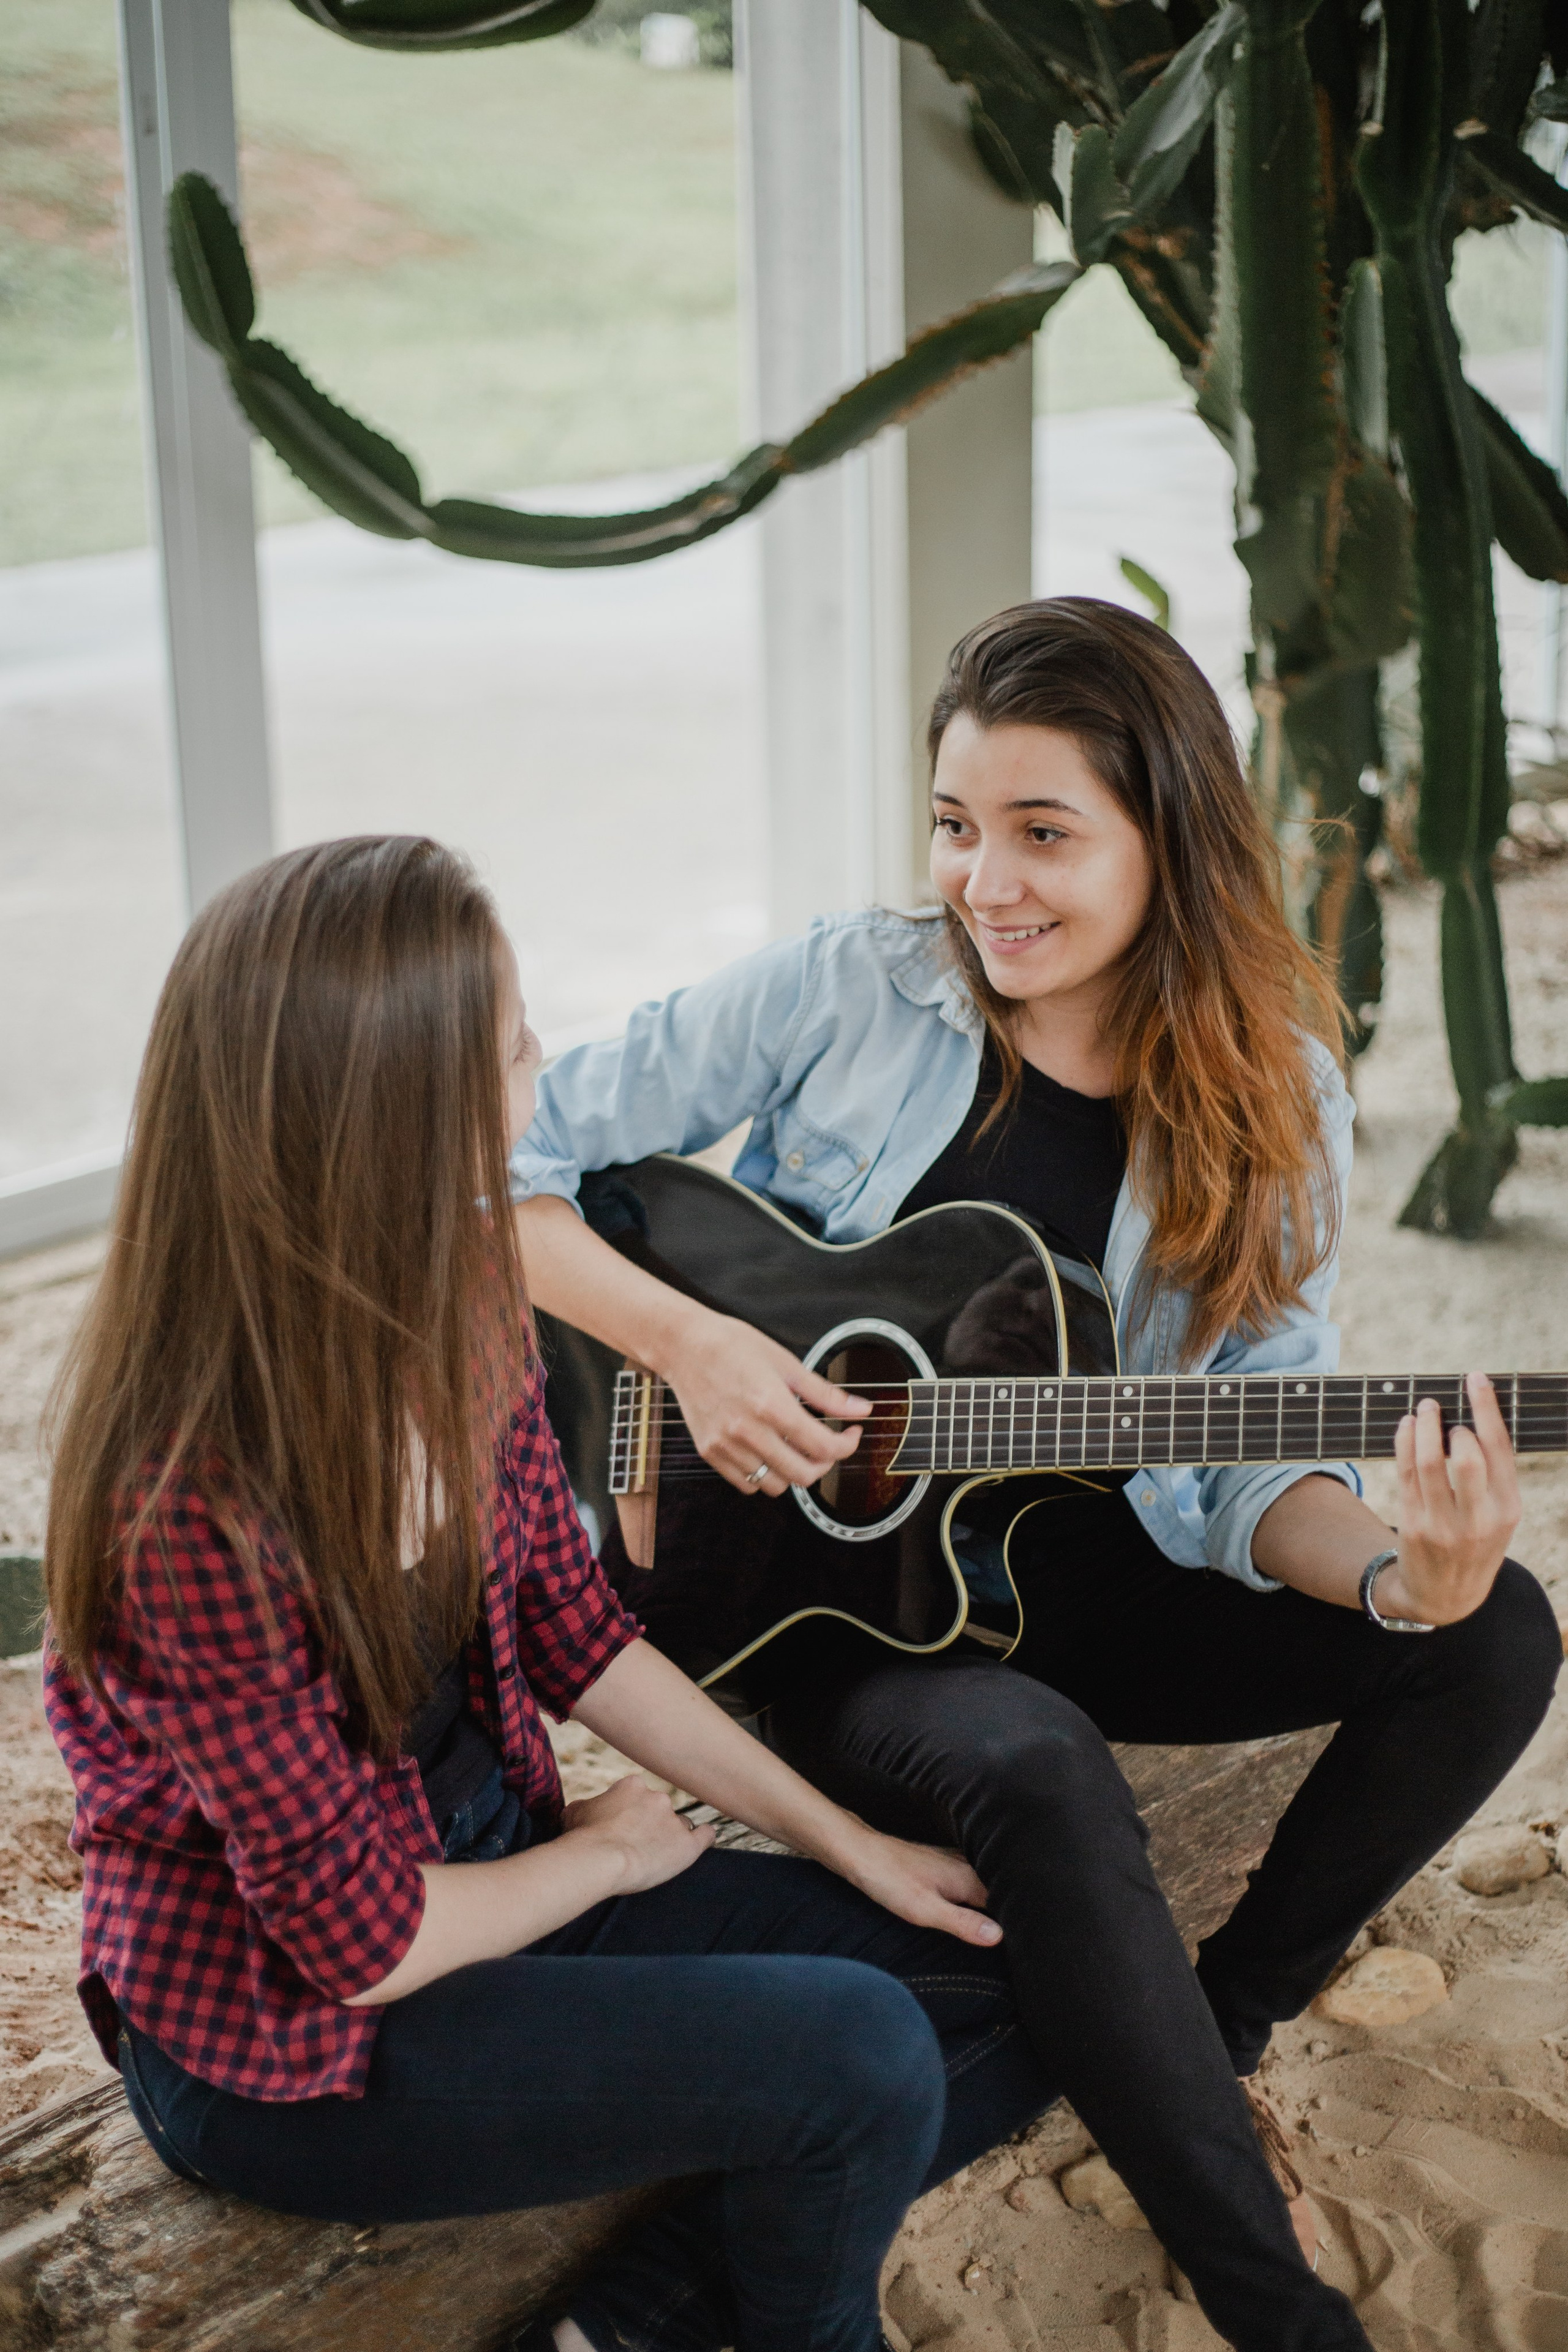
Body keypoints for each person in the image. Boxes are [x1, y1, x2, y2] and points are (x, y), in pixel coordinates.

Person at [510, 598, 1560, 2350]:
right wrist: (690, 1346)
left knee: (1500, 1636)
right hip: (820, 1602)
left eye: (1043, 834)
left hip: (1089, 1574)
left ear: (1173, 836)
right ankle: (1272, 2299)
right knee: (1038, 1767)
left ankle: (1209, 2025)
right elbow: (501, 1162)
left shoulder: (1277, 1094)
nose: (985, 883)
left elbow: (1245, 1452)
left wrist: (1400, 1576)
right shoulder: (852, 986)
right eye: (956, 826)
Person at [43, 835, 1077, 2352]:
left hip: (488, 1868)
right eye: (517, 1042)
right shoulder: (187, 1498)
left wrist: (849, 1844)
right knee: (857, 2052)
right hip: (298, 2037)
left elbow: (573, 1636)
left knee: (1018, 1975)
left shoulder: (456, 1298)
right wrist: (600, 1864)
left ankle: (633, 2318)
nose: (541, 1071)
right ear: (399, 1110)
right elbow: (359, 1942)